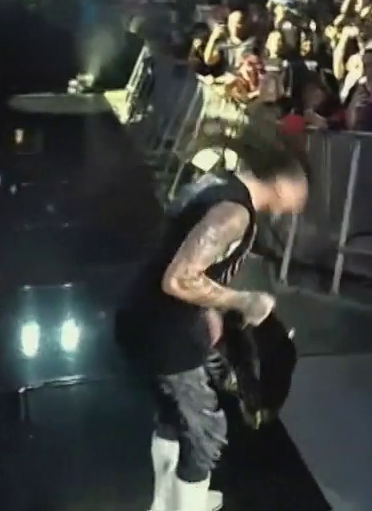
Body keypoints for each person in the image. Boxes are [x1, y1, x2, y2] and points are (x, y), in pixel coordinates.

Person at [113, 144, 310, 511]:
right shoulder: (234, 214)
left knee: (174, 417)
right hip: (168, 331)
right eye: (302, 192)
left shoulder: (216, 183)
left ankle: (165, 504)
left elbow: (179, 250)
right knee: (205, 434)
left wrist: (209, 309)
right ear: (284, 183)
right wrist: (243, 301)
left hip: (145, 315)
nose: (300, 204)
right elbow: (179, 279)